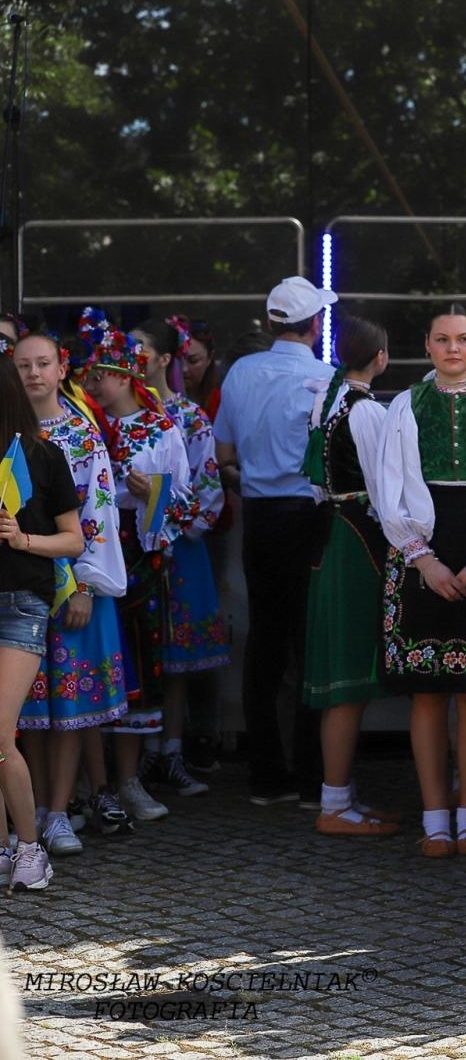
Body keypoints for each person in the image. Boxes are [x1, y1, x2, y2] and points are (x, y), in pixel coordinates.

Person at [213, 276, 337, 806]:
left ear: (270, 323)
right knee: (310, 642)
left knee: (265, 641)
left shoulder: (240, 373)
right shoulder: (326, 378)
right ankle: (314, 777)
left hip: (259, 514)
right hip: (309, 515)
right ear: (316, 326)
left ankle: (266, 775)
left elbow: (223, 456)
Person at [375, 306, 466, 857]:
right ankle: (434, 815)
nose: (452, 348)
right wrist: (424, 560)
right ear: (427, 345)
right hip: (421, 550)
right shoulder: (405, 404)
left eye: (463, 339)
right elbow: (389, 487)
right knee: (426, 693)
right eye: (442, 339)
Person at [11, 333, 128, 853]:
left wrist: (82, 585)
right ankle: (31, 803)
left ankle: (59, 811)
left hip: (71, 586)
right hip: (19, 584)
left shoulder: (82, 435)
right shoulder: (9, 433)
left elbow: (99, 516)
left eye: (43, 364)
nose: (33, 373)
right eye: (22, 365)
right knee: (29, 707)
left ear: (63, 370)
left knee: (69, 704)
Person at [80, 309, 192, 827]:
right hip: (86, 549)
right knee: (89, 662)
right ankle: (89, 785)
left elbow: (187, 502)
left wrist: (156, 496)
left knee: (137, 664)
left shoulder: (160, 429)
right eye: (88, 375)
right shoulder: (85, 426)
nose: (93, 384)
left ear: (125, 375)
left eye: (100, 375)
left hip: (140, 555)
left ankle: (127, 780)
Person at [300, 316, 399, 838]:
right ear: (380, 358)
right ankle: (334, 802)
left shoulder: (325, 400)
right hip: (356, 540)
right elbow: (385, 493)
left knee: (345, 670)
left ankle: (342, 795)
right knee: (346, 676)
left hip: (330, 534)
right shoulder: (366, 412)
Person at [0, 355, 85, 891]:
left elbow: (75, 540)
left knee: (0, 736)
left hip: (21, 603)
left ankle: (31, 849)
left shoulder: (43, 456)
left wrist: (21, 539)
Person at [132, 317, 224, 799]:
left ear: (165, 359)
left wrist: (174, 529)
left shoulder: (189, 416)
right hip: (130, 549)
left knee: (177, 658)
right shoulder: (116, 413)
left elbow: (208, 487)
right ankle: (137, 755)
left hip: (179, 550)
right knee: (140, 651)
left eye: (140, 349)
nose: (131, 358)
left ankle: (169, 750)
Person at [179, 319, 224, 421]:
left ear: (209, 358)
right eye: (178, 361)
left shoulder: (221, 402)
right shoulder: (157, 400)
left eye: (193, 361)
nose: (184, 369)